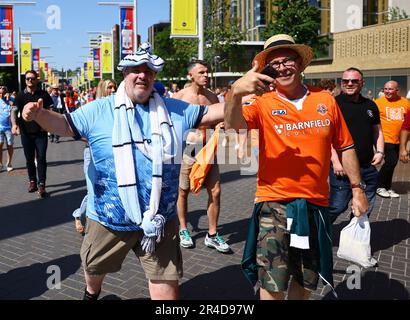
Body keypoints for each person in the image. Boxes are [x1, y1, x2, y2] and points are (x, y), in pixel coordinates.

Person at [21, 43, 224, 300]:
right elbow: (63, 125)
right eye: (135, 70)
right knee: (94, 270)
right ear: (124, 74)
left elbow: (215, 112)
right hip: (109, 220)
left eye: (149, 70)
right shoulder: (99, 110)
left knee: (168, 292)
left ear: (154, 76)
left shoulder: (174, 109)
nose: (142, 75)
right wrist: (39, 115)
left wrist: (240, 94)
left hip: (158, 221)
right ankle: (92, 293)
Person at [224, 34, 368, 300]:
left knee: (307, 279)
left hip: (316, 204)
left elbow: (345, 146)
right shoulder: (262, 103)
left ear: (300, 64)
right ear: (267, 70)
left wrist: (357, 189)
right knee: (272, 281)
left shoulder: (325, 100)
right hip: (274, 202)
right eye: (275, 63)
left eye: (288, 60)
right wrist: (235, 93)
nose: (282, 67)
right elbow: (234, 127)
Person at [173, 60, 230, 253]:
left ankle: (212, 234)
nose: (206, 75)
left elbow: (219, 121)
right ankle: (183, 229)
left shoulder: (212, 97)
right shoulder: (179, 97)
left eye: (207, 72)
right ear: (190, 75)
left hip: (208, 150)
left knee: (216, 191)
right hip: (187, 150)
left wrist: (220, 127)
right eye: (201, 72)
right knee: (183, 191)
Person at [328, 67, 384, 223]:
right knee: (337, 206)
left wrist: (380, 151)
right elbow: (327, 136)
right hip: (342, 169)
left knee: (364, 207)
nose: (350, 83)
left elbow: (377, 131)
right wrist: (335, 161)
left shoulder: (370, 105)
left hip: (367, 167)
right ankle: (317, 233)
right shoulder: (332, 104)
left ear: (362, 83)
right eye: (346, 81)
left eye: (354, 80)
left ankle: (354, 237)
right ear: (341, 83)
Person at [11, 70, 54, 198]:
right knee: (29, 159)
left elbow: (51, 110)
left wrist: (49, 125)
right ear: (25, 81)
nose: (30, 80)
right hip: (26, 133)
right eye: (28, 78)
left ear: (36, 80)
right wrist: (14, 125)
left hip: (40, 132)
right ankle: (32, 181)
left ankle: (42, 184)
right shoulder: (20, 95)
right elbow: (13, 111)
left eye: (33, 78)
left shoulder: (43, 94)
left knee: (41, 158)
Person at [375, 81, 410, 198]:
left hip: (399, 140)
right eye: (385, 89)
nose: (387, 91)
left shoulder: (405, 102)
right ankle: (379, 186)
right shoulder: (378, 102)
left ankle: (387, 187)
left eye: (390, 89)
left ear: (397, 90)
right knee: (391, 161)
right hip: (385, 137)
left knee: (392, 163)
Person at [0, 85, 14, 172]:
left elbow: (15, 108)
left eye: (3, 93)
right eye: (0, 93)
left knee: (9, 145)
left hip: (9, 127)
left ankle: (9, 163)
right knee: (0, 145)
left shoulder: (11, 100)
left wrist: (8, 100)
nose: (1, 95)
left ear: (6, 93)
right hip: (0, 127)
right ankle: (0, 163)